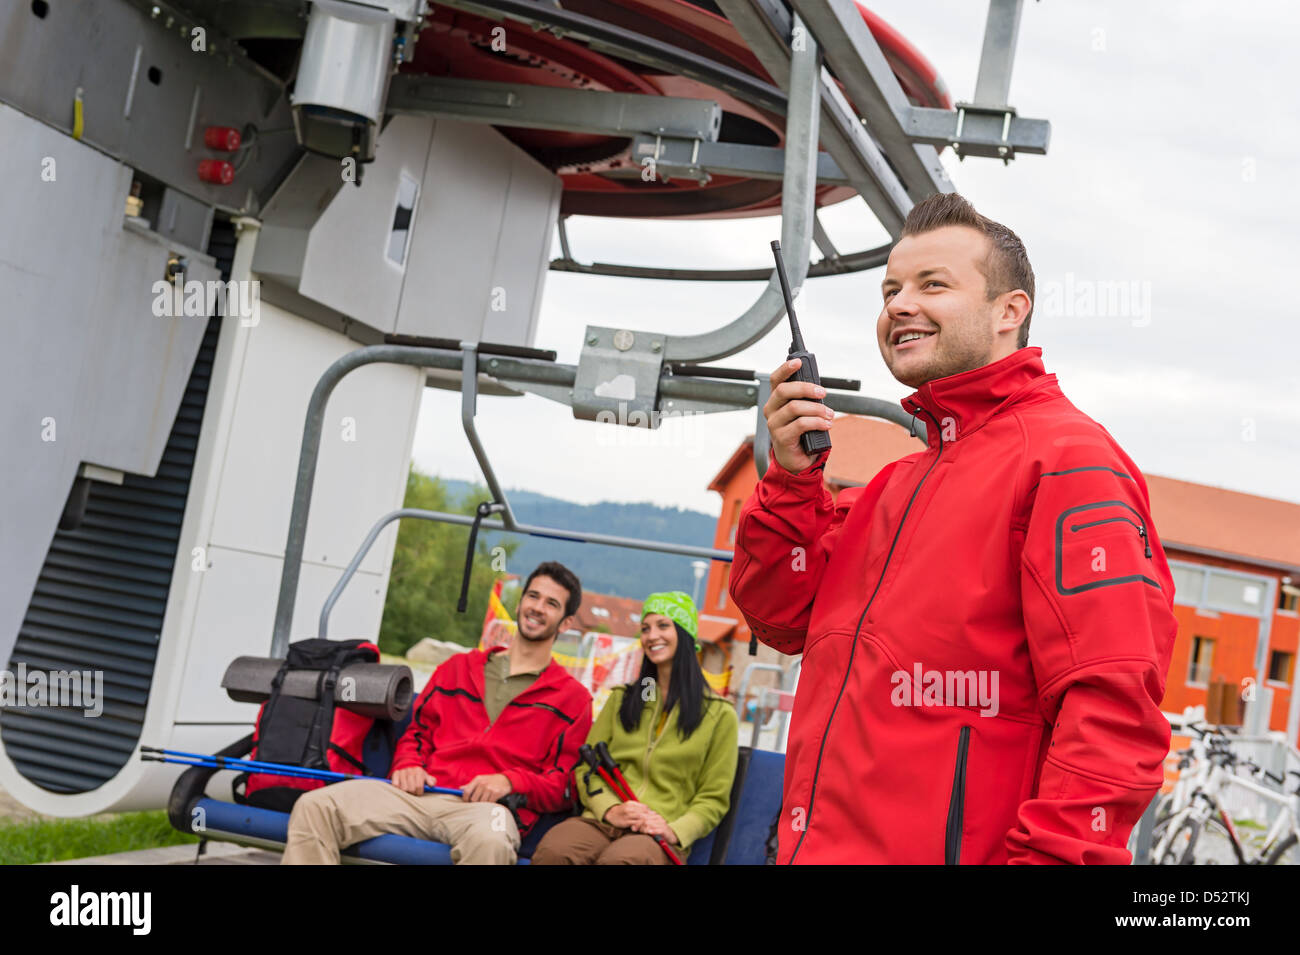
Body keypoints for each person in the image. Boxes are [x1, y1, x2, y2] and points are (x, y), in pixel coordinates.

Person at [730, 193, 1178, 865]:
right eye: (890, 289)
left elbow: (1113, 709)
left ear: (1009, 311)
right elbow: (781, 618)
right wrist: (793, 485)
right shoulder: (892, 486)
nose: (899, 304)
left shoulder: (1068, 462)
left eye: (931, 284)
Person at [281, 561, 592, 865]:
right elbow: (416, 732)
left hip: (487, 811)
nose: (537, 607)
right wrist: (408, 763)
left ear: (565, 622)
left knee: (491, 842)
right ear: (521, 601)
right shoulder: (457, 669)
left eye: (551, 603)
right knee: (316, 807)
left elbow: (564, 786)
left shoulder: (572, 700)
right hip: (420, 793)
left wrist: (510, 781)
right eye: (533, 596)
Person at [531, 591, 738, 865]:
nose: (652, 635)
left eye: (663, 626)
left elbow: (713, 799)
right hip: (602, 821)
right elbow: (586, 769)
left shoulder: (719, 715)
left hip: (656, 835)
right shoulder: (621, 699)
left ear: (685, 633)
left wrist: (673, 830)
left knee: (622, 861)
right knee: (555, 852)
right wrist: (610, 808)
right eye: (645, 628)